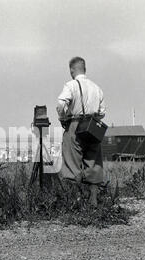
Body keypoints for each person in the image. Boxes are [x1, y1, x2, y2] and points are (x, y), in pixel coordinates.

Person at [56, 57, 106, 207]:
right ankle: (93, 201)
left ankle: (76, 201)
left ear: (71, 70)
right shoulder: (97, 88)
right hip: (93, 126)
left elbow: (60, 104)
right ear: (85, 69)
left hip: (75, 124)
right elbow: (102, 112)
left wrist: (63, 117)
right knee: (93, 162)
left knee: (72, 162)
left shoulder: (71, 85)